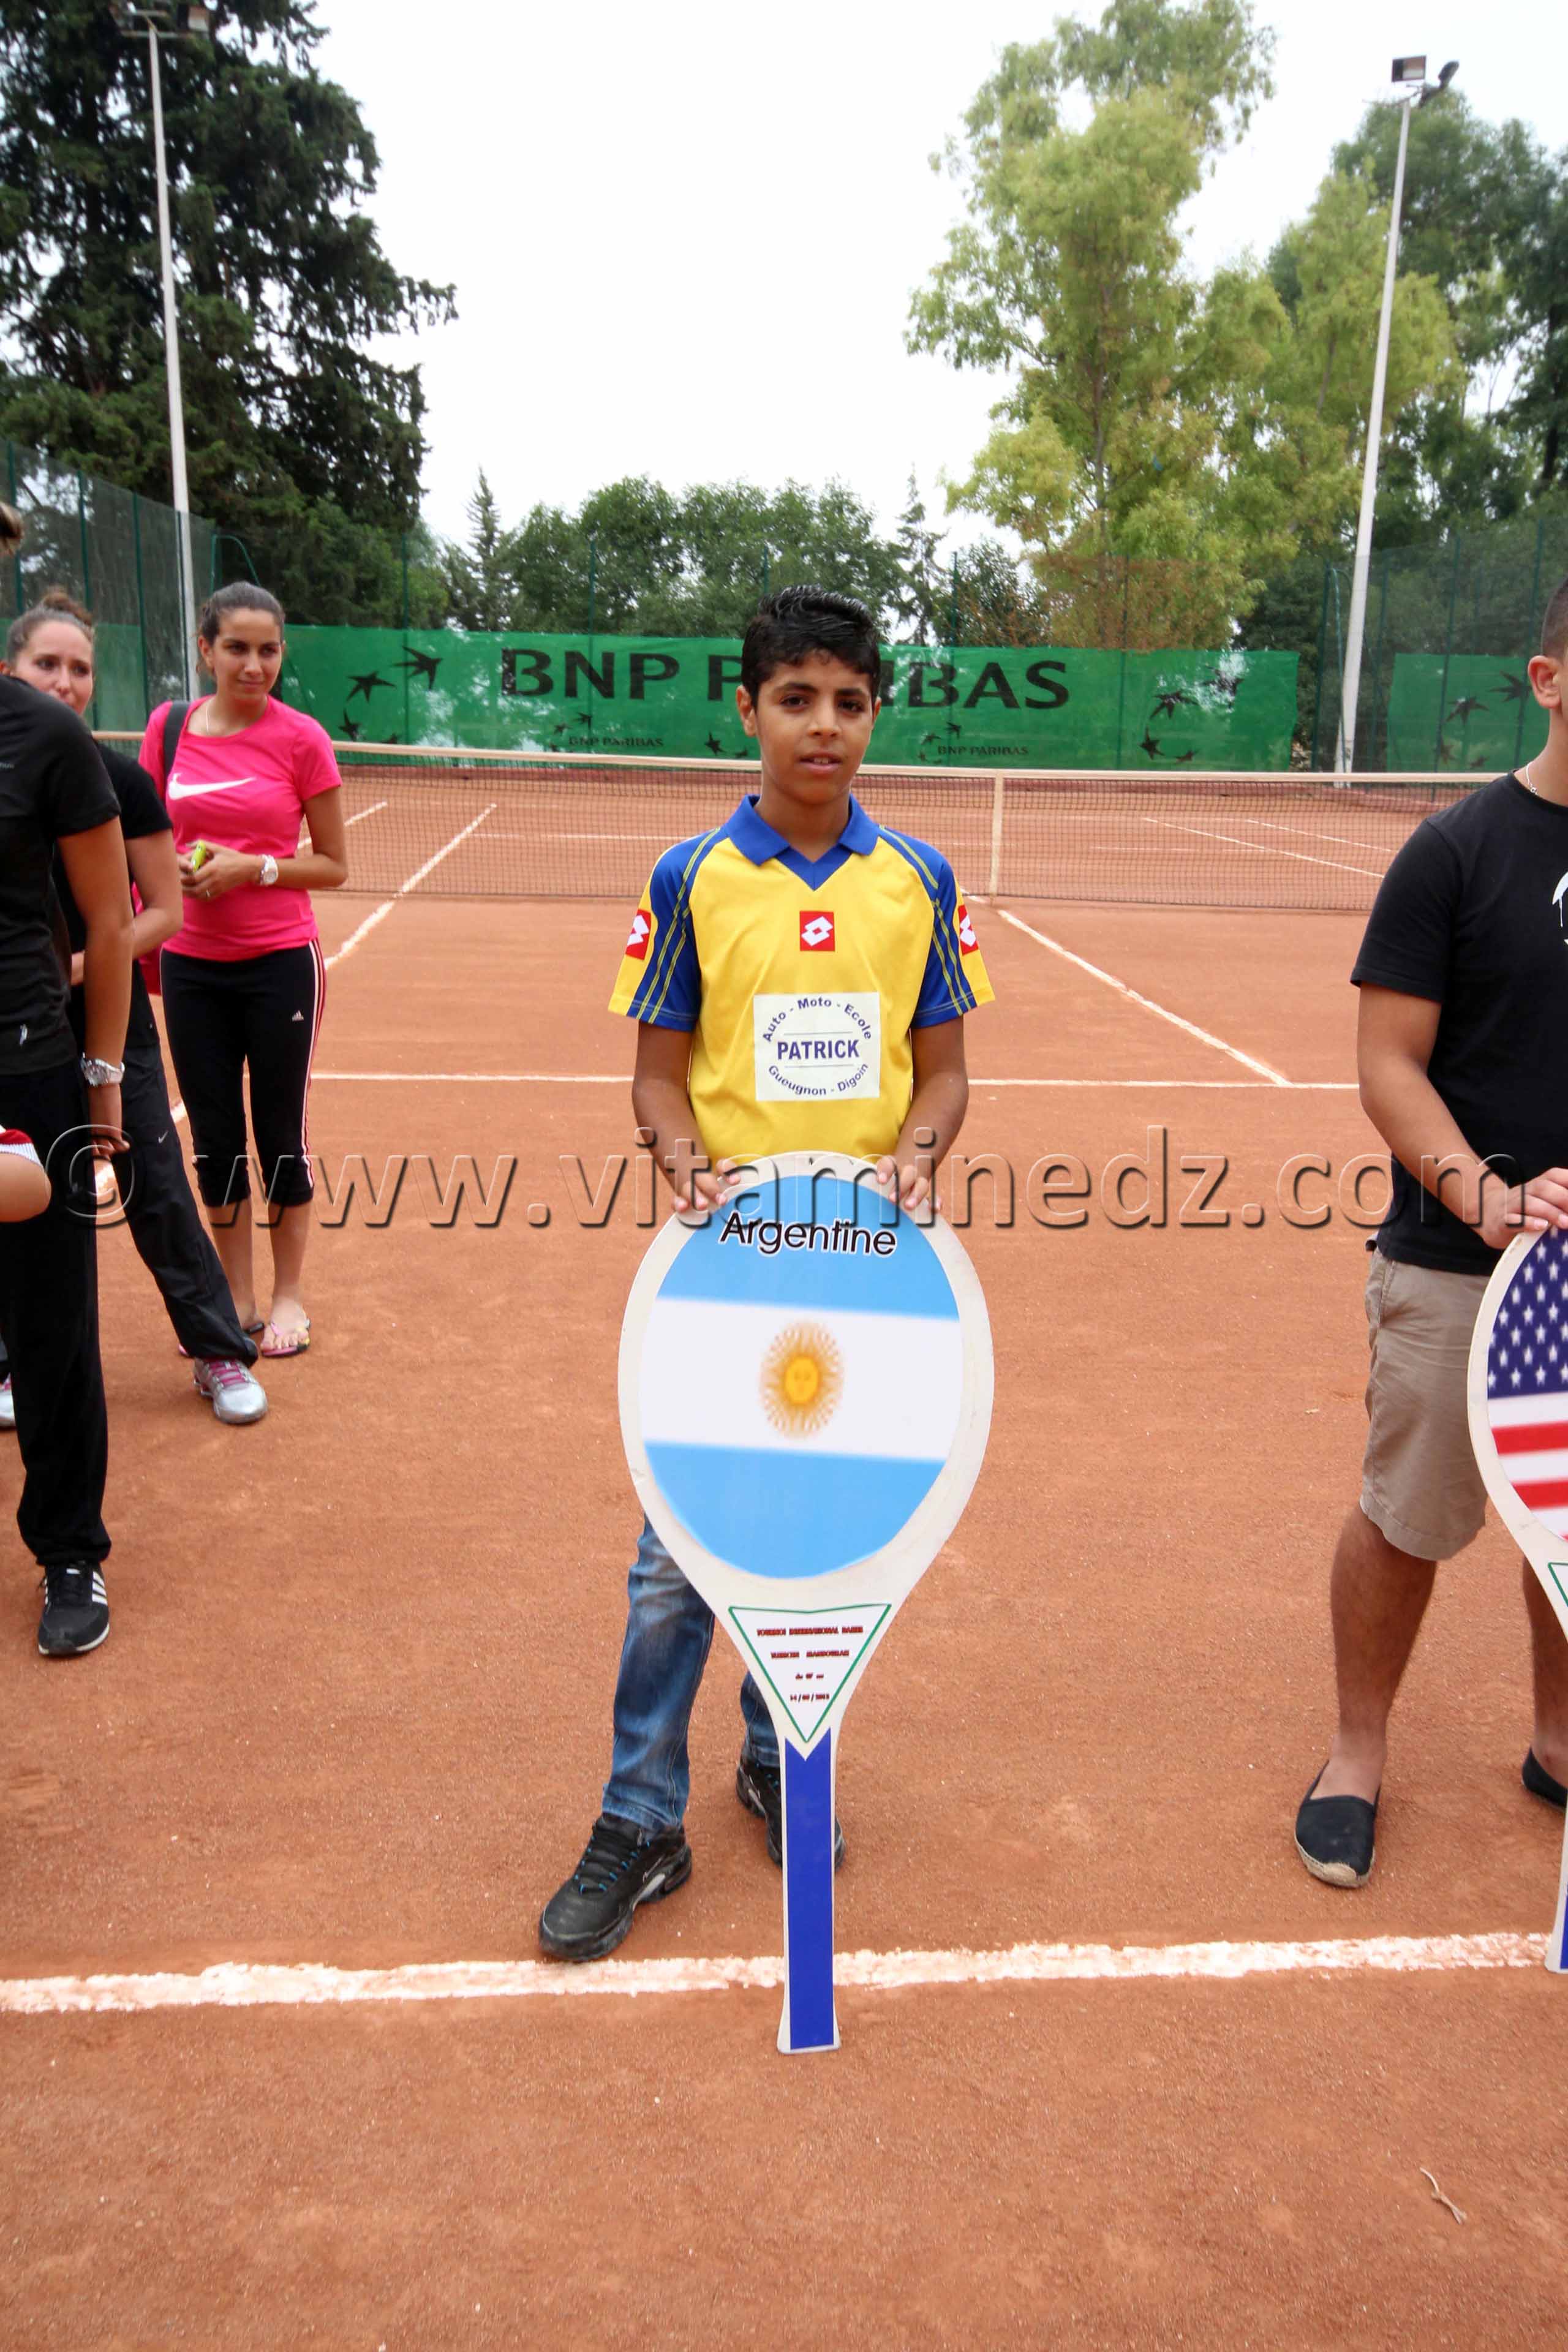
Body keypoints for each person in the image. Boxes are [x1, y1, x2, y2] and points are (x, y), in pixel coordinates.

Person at [539, 585, 995, 1960]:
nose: (823, 725)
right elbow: (656, 1080)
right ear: (746, 710)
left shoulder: (920, 879)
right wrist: (682, 1163)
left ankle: (776, 1749)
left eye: (849, 701)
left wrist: (915, 1157)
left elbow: (945, 1074)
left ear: (876, 716)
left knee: (819, 1531)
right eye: (795, 699)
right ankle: (640, 1816)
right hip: (724, 1274)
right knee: (674, 1560)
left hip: (866, 1273)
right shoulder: (689, 879)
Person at [1296, 575, 1568, 1888]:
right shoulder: (1455, 852)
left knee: (1567, 1525)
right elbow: (1387, 1063)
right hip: (1459, 1265)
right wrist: (1485, 1196)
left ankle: (1558, 1743)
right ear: (1548, 680)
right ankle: (1355, 1753)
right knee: (1407, 1515)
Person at [0, 592, 266, 1426]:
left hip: (111, 1023)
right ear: (11, 669)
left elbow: (162, 911)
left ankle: (218, 1349)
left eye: (80, 668)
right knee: (20, 1193)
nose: (65, 682)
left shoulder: (118, 781)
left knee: (152, 1184)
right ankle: (13, 1364)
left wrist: (80, 967)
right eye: (48, 664)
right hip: (15, 1031)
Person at [140, 584, 347, 1359]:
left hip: (282, 964)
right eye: (236, 648)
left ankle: (289, 1294)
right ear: (206, 650)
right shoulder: (167, 730)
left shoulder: (302, 740)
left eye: (268, 650)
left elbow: (333, 865)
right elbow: (143, 840)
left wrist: (252, 869)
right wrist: (172, 877)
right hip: (191, 967)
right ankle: (237, 1294)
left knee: (280, 1134)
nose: (254, 665)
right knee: (214, 1139)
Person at [0, 502, 134, 1656]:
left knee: (51, 1327)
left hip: (26, 1073)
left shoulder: (45, 738)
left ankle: (69, 1550)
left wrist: (101, 1093)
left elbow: (108, 921)